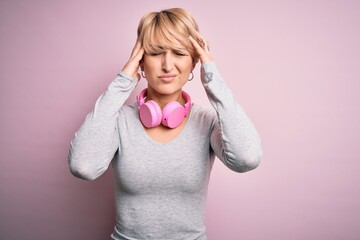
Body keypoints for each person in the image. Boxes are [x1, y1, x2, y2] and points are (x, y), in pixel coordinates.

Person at [68, 7, 263, 240]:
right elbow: (83, 166)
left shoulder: (207, 122)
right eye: (156, 52)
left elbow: (247, 159)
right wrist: (123, 81)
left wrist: (212, 78)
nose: (168, 65)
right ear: (140, 61)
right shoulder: (118, 121)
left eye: (180, 53)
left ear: (194, 63)